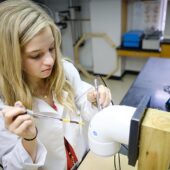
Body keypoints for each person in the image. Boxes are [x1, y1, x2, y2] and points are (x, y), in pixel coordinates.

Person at [0, 0, 112, 170]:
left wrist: (96, 99)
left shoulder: (64, 70)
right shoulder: (4, 105)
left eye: (52, 48)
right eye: (36, 55)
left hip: (82, 160)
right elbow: (12, 167)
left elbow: (84, 101)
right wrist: (29, 140)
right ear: (11, 58)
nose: (50, 61)